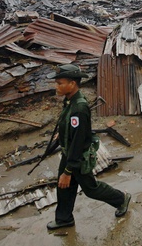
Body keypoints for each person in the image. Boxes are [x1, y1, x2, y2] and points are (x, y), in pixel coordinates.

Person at [46, 64, 131, 230]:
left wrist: (69, 171)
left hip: (77, 157)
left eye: (60, 83)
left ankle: (121, 199)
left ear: (72, 84)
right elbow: (71, 127)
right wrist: (62, 134)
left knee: (90, 189)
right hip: (69, 153)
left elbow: (78, 141)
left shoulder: (79, 108)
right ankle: (64, 219)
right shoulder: (70, 101)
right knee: (64, 187)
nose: (56, 87)